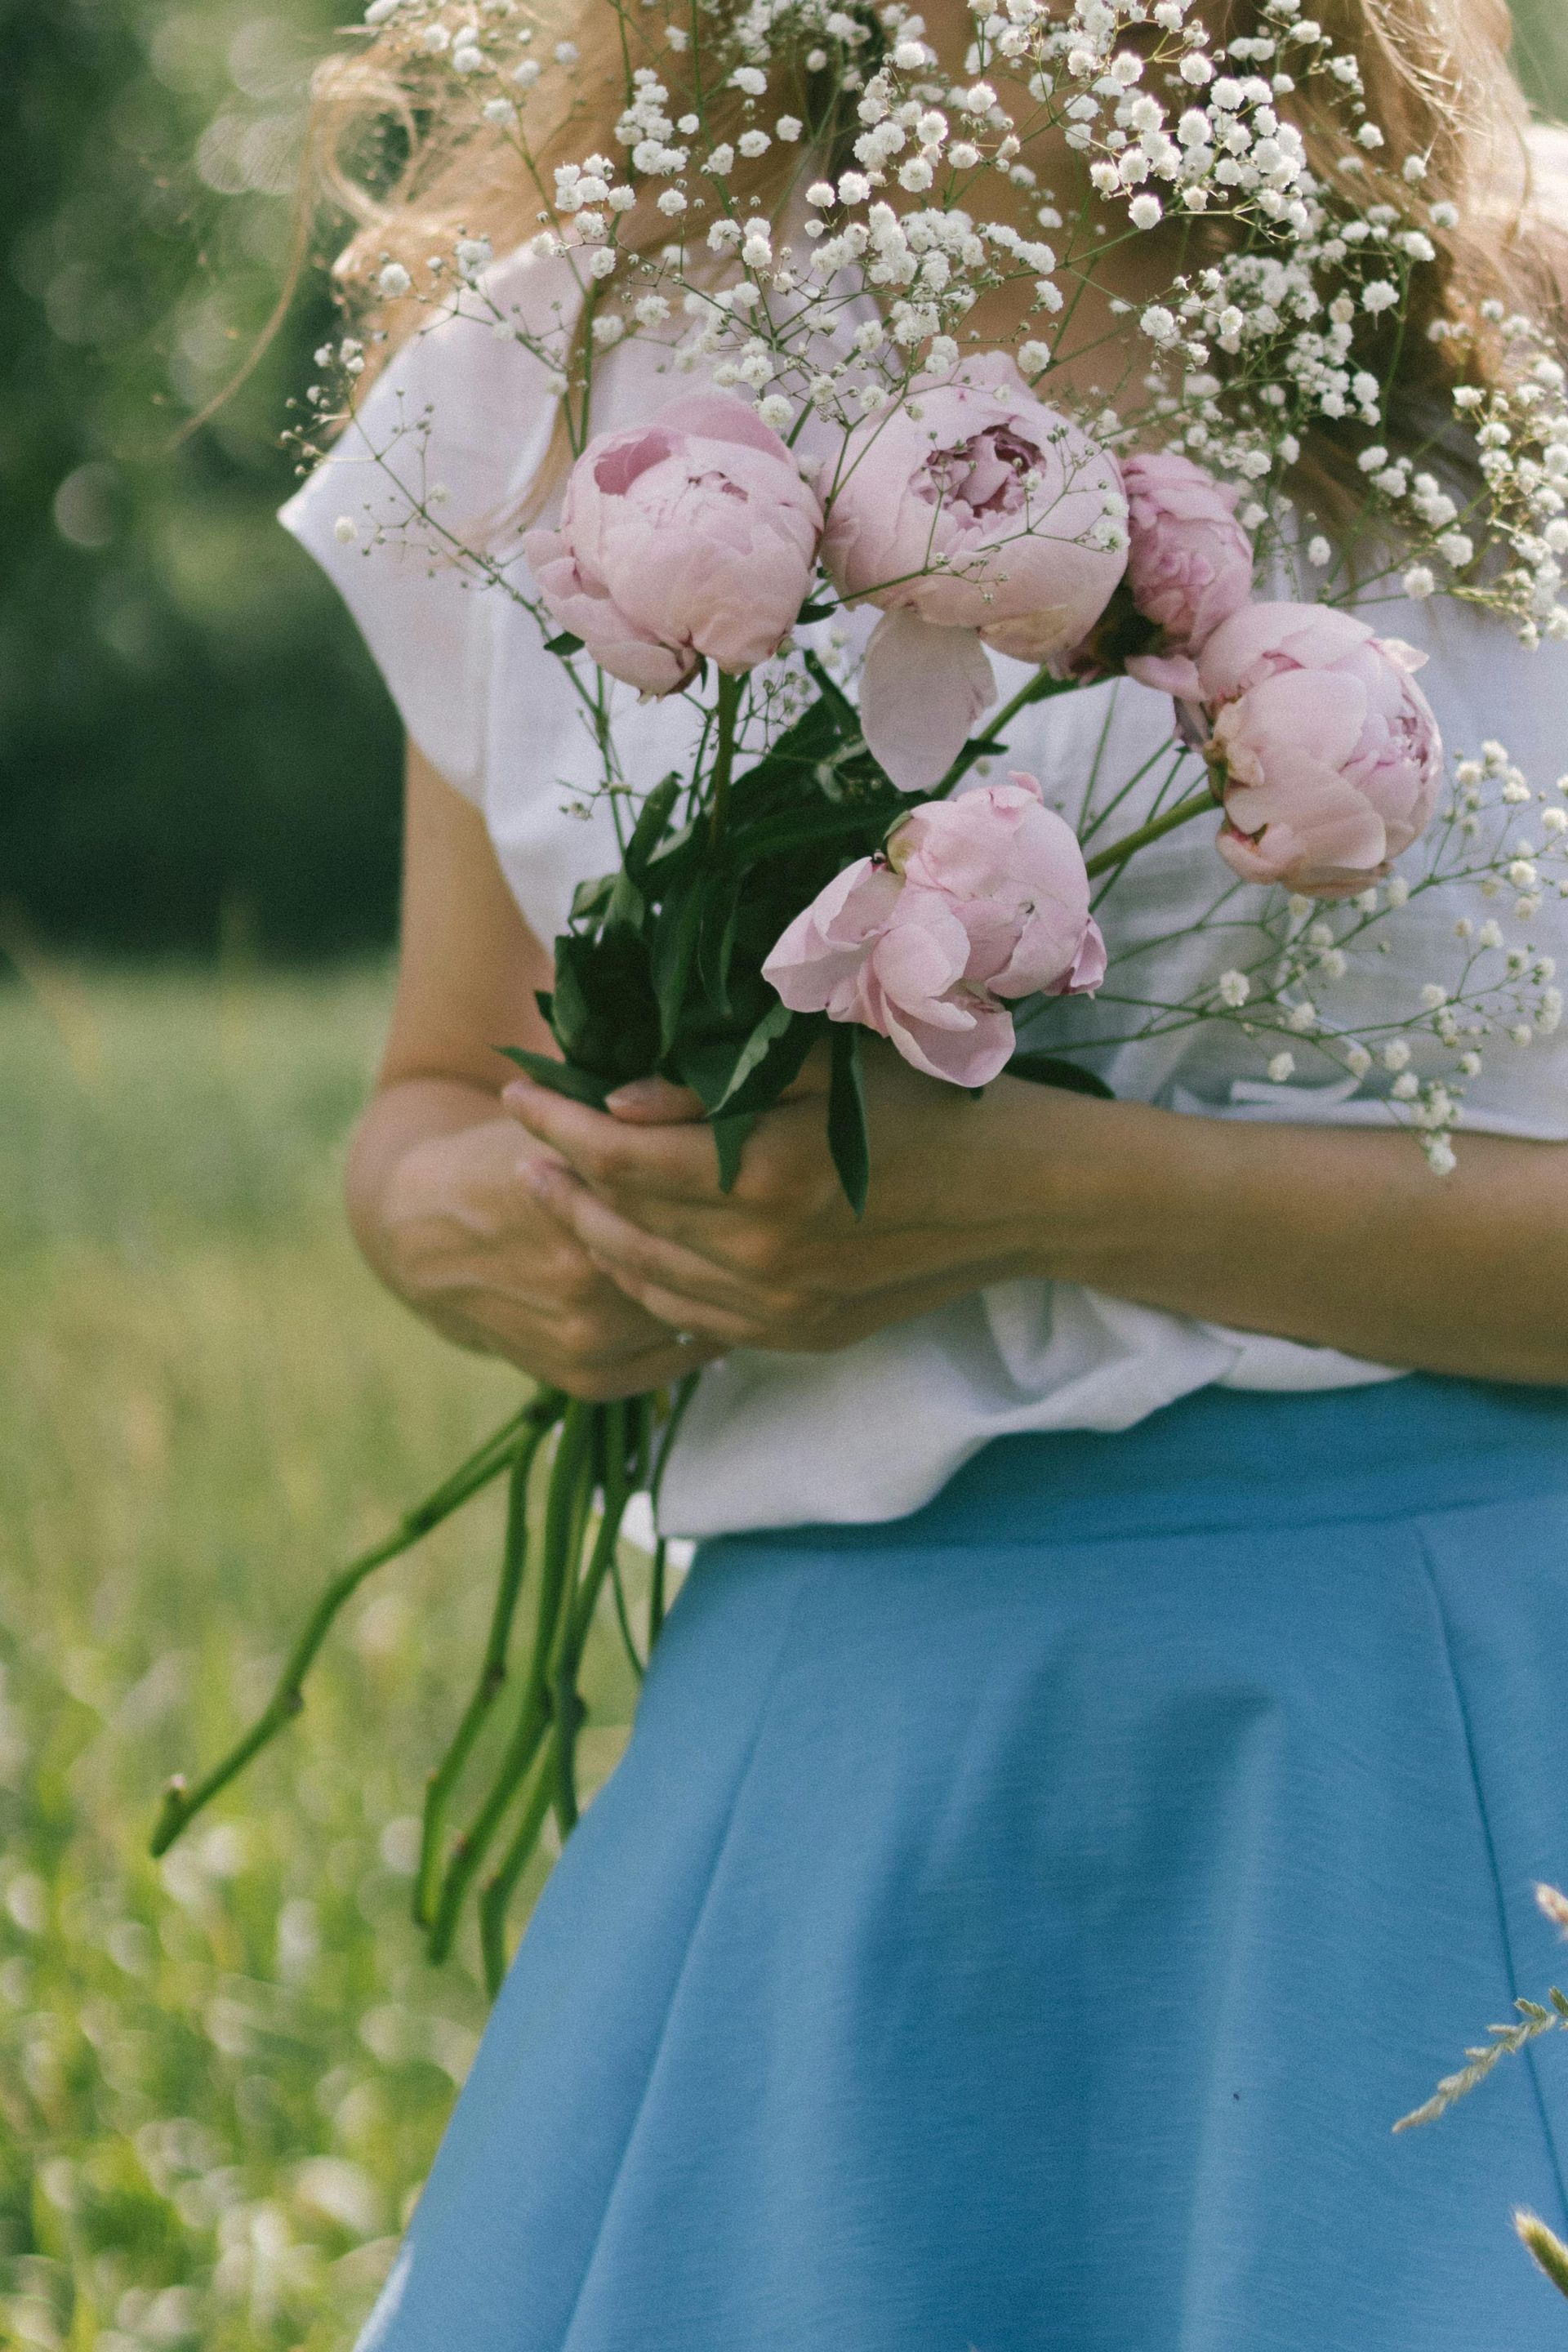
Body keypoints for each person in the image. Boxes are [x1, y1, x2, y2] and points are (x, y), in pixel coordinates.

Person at [281, 1, 1568, 2342]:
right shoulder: (555, 361)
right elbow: (431, 1097)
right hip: (847, 1789)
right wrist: (521, 1225)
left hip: (1456, 1758)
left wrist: (1048, 1200)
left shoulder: (1526, 322)